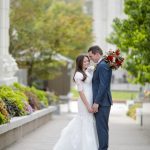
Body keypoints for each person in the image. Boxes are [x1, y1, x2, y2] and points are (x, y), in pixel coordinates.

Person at [53, 55, 98, 150]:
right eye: (84, 62)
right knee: (84, 121)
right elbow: (80, 92)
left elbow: (93, 67)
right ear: (79, 63)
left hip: (90, 98)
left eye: (87, 61)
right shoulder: (78, 75)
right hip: (84, 101)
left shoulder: (87, 71)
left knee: (88, 122)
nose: (87, 63)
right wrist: (88, 106)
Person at [88, 45, 113, 150]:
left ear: (97, 54)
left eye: (91, 56)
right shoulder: (101, 64)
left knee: (101, 129)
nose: (90, 59)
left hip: (102, 103)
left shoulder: (102, 65)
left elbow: (103, 85)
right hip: (102, 102)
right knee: (101, 128)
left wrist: (96, 102)